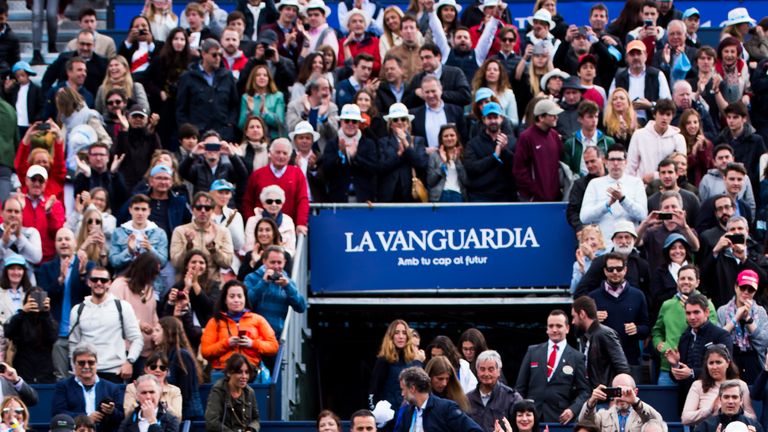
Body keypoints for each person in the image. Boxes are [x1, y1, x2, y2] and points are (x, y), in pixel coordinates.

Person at [68, 267, 144, 383]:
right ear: (89, 282)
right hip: (86, 371)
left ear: (109, 283)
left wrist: (130, 362)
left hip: (114, 371)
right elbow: (73, 342)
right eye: (95, 280)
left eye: (103, 280)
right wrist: (75, 369)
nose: (99, 283)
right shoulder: (78, 310)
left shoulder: (123, 307)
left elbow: (137, 338)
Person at [516, 309, 589, 422]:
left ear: (567, 328)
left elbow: (584, 391)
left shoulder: (577, 357)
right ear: (547, 329)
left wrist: (572, 410)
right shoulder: (532, 352)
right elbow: (520, 387)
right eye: (551, 326)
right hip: (532, 419)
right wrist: (521, 412)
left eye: (559, 326)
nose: (554, 330)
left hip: (560, 419)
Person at [588, 252, 650, 381]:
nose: (615, 272)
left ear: (625, 270)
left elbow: (646, 328)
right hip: (602, 363)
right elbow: (581, 332)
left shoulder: (638, 295)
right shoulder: (593, 297)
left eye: (619, 269)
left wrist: (637, 329)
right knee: (602, 399)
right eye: (611, 269)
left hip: (630, 360)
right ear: (605, 271)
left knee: (631, 399)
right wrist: (592, 321)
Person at [653, 264, 717, 385]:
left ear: (697, 282)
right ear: (677, 281)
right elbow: (657, 330)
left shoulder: (707, 305)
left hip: (697, 369)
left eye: (690, 278)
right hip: (668, 369)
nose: (686, 282)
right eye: (682, 278)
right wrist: (659, 344)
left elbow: (711, 331)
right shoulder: (667, 305)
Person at [200, 280, 279, 377]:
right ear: (225, 300)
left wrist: (252, 344)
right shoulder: (214, 322)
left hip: (251, 372)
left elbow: (273, 346)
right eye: (232, 296)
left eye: (240, 296)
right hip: (222, 373)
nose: (236, 300)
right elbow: (205, 352)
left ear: (245, 298)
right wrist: (227, 343)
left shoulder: (258, 319)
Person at [667, 294, 733, 408]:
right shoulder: (685, 337)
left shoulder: (721, 335)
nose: (692, 317)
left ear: (707, 312)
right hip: (687, 403)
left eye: (696, 312)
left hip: (714, 401)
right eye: (688, 313)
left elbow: (725, 368)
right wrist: (675, 366)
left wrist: (692, 373)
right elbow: (680, 375)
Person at [580, 144, 648, 245]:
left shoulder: (636, 183)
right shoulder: (595, 183)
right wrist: (607, 204)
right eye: (612, 160)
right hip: (603, 245)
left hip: (628, 244)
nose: (616, 163)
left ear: (626, 162)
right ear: (605, 162)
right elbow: (584, 217)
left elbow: (642, 215)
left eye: (619, 159)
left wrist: (623, 200)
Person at [176, 38, 239, 142]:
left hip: (222, 135)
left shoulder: (227, 76)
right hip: (197, 135)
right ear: (204, 54)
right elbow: (181, 109)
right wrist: (187, 132)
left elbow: (234, 105)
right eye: (214, 55)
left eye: (220, 55)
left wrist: (229, 125)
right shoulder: (188, 77)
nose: (218, 58)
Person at [52, 343, 125, 432]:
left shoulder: (112, 388)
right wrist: (86, 417)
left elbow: (122, 418)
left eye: (91, 362)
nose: (86, 366)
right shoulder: (63, 386)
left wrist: (112, 411)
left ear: (96, 363)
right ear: (74, 364)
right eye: (81, 363)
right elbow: (58, 413)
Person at [242, 139, 309, 233]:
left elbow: (302, 200)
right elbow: (247, 202)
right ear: (270, 153)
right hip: (261, 232)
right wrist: (253, 223)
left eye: (285, 153)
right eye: (278, 152)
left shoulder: (297, 174)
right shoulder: (257, 175)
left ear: (289, 157)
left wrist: (301, 223)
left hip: (288, 230)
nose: (281, 156)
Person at [681, 344, 755, 426]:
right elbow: (685, 419)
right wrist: (709, 410)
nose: (714, 367)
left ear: (728, 363)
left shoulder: (741, 385)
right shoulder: (698, 385)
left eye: (718, 362)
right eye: (711, 363)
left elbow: (753, 418)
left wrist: (738, 410)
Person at [716, 270, 768, 383]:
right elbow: (718, 339)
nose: (746, 292)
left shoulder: (760, 312)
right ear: (736, 287)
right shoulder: (723, 310)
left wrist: (748, 320)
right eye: (743, 287)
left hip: (753, 359)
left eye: (750, 289)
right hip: (731, 357)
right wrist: (736, 318)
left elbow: (763, 343)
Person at [395, 366, 483, 432]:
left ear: (412, 388)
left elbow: (474, 430)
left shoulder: (445, 408)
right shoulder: (407, 412)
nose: (402, 394)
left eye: (403, 389)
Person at [243, 245, 306, 336]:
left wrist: (287, 287)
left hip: (274, 337)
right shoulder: (251, 278)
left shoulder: (288, 282)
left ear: (284, 263)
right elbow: (246, 303)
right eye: (272, 262)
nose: (276, 266)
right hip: (253, 335)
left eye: (279, 262)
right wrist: (263, 282)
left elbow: (301, 307)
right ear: (264, 261)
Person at [571, 296, 630, 388]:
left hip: (606, 396)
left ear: (582, 314)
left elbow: (622, 368)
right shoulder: (586, 336)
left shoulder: (605, 334)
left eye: (574, 316)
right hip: (595, 394)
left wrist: (614, 395)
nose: (573, 322)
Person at [152, 316, 204, 419]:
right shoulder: (163, 355)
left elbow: (185, 392)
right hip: (172, 412)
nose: (153, 334)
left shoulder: (182, 355)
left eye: (157, 330)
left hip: (188, 415)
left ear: (168, 332)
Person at [608, 40, 671, 123]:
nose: (636, 57)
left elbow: (668, 104)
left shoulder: (657, 75)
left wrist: (650, 105)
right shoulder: (619, 77)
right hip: (624, 123)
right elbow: (610, 103)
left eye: (639, 54)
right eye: (632, 54)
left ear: (645, 55)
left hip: (652, 124)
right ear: (626, 58)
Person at [368, 319, 424, 412]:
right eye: (397, 333)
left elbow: (420, 387)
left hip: (409, 413)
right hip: (389, 416)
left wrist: (418, 363)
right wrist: (375, 413)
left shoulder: (412, 361)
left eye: (404, 333)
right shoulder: (384, 360)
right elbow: (373, 390)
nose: (401, 336)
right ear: (391, 336)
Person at [513, 99, 564, 201]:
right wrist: (534, 191)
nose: (556, 117)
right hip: (534, 200)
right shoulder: (526, 137)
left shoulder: (554, 135)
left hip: (554, 198)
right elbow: (519, 170)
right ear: (541, 117)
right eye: (552, 115)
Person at [376, 103, 428, 202]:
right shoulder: (383, 142)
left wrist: (406, 143)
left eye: (403, 119)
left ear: (408, 123)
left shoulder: (418, 140)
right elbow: (380, 167)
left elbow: (421, 163)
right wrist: (398, 155)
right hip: (389, 193)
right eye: (395, 120)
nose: (400, 122)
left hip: (411, 193)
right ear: (390, 124)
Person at [463, 102, 515, 202]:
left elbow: (517, 167)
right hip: (480, 196)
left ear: (502, 118)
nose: (493, 121)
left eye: (495, 117)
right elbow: (471, 169)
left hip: (506, 196)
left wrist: (504, 151)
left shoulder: (512, 141)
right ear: (483, 120)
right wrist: (494, 157)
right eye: (489, 118)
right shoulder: (473, 144)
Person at [4, 286, 57, 384]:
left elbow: (52, 337)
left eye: (38, 299)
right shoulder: (20, 319)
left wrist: (46, 314)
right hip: (23, 369)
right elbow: (9, 332)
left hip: (44, 371)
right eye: (32, 300)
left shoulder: (47, 319)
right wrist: (23, 312)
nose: (35, 303)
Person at [578, 373, 664, 432]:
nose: (622, 397)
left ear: (635, 392)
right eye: (617, 391)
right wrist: (591, 402)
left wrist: (635, 402)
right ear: (611, 392)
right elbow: (584, 424)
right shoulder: (604, 415)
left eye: (626, 391)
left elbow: (658, 421)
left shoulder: (643, 414)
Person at [627, 99, 686, 183]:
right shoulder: (639, 135)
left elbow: (681, 167)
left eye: (668, 114)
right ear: (654, 115)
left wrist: (655, 176)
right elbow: (631, 166)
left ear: (672, 116)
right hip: (643, 186)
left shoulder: (678, 138)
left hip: (669, 187)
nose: (664, 118)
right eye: (661, 114)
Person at [715, 102, 766, 199]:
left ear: (744, 119)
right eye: (728, 117)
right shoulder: (720, 140)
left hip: (751, 188)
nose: (731, 121)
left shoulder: (756, 141)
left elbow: (763, 166)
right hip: (726, 187)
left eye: (735, 117)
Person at [465, 350, 523, 430]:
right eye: (482, 369)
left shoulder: (511, 398)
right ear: (477, 371)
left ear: (499, 371)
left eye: (491, 369)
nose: (486, 374)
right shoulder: (467, 399)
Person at [109, 194, 169, 272]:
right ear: (130, 210)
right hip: (125, 276)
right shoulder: (118, 232)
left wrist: (150, 249)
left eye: (144, 209)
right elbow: (113, 262)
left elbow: (163, 263)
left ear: (149, 211)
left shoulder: (159, 233)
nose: (140, 213)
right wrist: (129, 251)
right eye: (136, 209)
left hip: (151, 279)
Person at [204, 353, 261, 432]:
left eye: (247, 372)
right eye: (239, 372)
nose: (244, 376)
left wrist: (250, 429)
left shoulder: (249, 392)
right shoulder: (218, 391)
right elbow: (212, 422)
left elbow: (256, 419)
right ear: (229, 373)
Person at [21, 165, 65, 263]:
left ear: (45, 183)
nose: (37, 184)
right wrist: (19, 209)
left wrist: (49, 213)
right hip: (23, 260)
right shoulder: (18, 202)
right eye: (33, 179)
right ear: (26, 181)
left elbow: (58, 233)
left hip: (48, 260)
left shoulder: (55, 204)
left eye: (40, 180)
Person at [562, 100, 615, 177]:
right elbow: (567, 171)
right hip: (579, 183)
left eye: (596, 116)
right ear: (580, 119)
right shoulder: (570, 143)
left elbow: (612, 165)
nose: (594, 120)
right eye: (590, 117)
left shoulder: (608, 141)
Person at [122, 354, 182, 419]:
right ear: (146, 369)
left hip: (164, 426)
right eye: (153, 367)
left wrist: (162, 404)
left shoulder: (174, 390)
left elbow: (178, 417)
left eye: (162, 368)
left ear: (167, 372)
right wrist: (139, 394)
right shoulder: (132, 387)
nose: (158, 370)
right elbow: (128, 415)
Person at [238, 64, 285, 139]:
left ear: (269, 78)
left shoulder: (278, 96)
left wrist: (265, 113)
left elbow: (280, 123)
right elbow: (241, 126)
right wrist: (249, 112)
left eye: (265, 75)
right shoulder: (246, 97)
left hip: (272, 139)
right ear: (253, 78)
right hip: (252, 140)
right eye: (258, 75)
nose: (262, 77)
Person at [693, 381, 762, 432]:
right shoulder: (705, 426)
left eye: (734, 397)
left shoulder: (754, 425)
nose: (730, 401)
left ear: (741, 400)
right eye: (726, 397)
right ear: (720, 400)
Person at [568, 147, 606, 232]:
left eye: (593, 161)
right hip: (589, 233)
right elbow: (573, 212)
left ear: (603, 159)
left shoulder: (614, 180)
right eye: (587, 162)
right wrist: (581, 229)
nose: (589, 165)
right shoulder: (579, 185)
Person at [427, 123, 468, 202]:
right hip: (439, 196)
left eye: (452, 135)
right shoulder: (434, 156)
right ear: (441, 138)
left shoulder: (464, 154)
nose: (449, 138)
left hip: (458, 195)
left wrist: (457, 162)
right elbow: (430, 181)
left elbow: (466, 181)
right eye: (446, 136)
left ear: (457, 137)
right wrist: (443, 163)